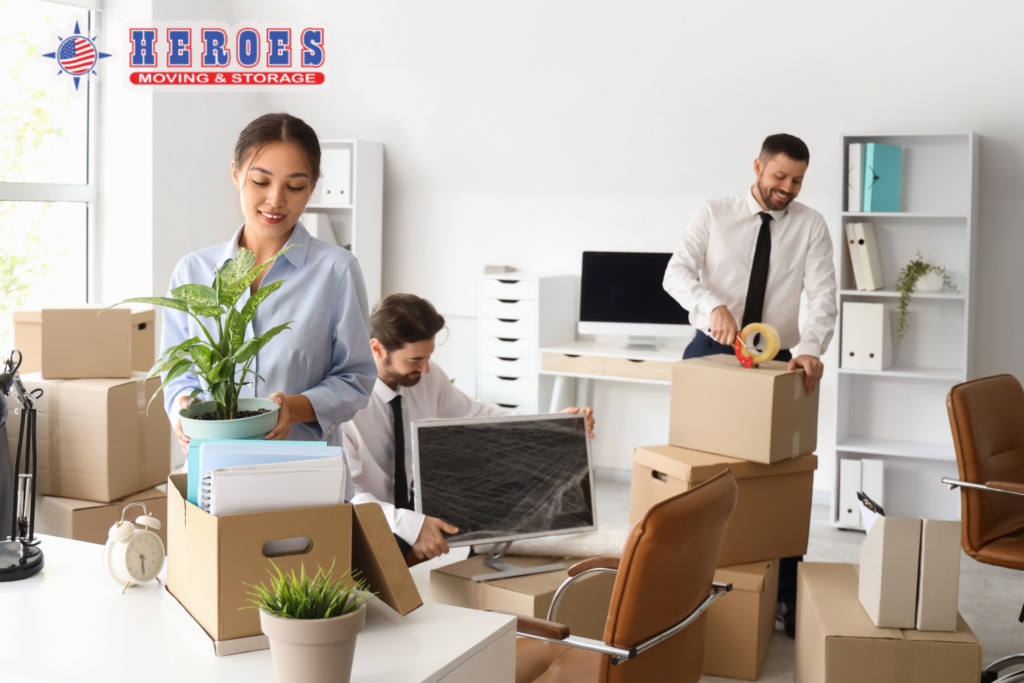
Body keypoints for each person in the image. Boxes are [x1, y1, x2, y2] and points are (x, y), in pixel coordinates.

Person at [662, 133, 837, 637]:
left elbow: (824, 294)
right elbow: (676, 273)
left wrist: (812, 347)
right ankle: (683, 586)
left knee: (779, 479)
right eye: (780, 176)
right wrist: (709, 305)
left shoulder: (811, 225)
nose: (788, 188)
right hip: (712, 349)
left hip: (776, 357)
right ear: (757, 166)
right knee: (699, 475)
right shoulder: (714, 213)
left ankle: (785, 602)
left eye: (798, 180)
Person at [161, 113, 377, 455]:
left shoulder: (336, 271)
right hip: (214, 466)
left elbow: (356, 378)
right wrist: (183, 405)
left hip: (303, 474)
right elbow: (178, 372)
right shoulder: (193, 272)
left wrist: (291, 407)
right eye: (261, 182)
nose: (276, 200)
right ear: (236, 173)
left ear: (313, 185)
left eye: (295, 187)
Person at [342, 293, 596, 566]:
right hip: (370, 521)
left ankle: (485, 580)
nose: (426, 369)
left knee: (494, 489)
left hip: (413, 503)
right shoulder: (345, 405)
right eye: (415, 360)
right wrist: (410, 524)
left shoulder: (428, 377)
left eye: (429, 356)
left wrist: (553, 423)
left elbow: (479, 416)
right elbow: (347, 496)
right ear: (377, 349)